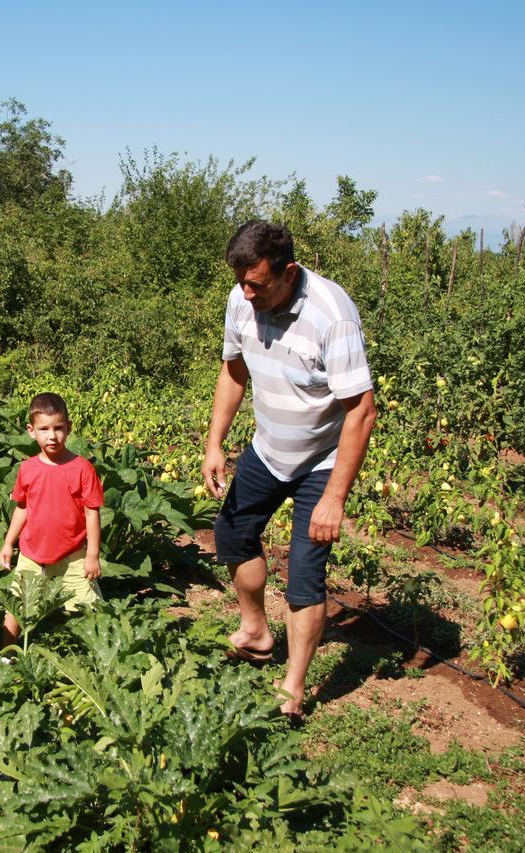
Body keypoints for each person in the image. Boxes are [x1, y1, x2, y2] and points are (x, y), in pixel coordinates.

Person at [201, 220, 376, 723]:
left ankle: (293, 688)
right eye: (241, 281)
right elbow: (233, 370)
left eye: (257, 283)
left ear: (288, 271)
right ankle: (256, 631)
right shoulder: (243, 300)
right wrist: (215, 444)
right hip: (267, 449)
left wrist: (333, 499)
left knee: (304, 576)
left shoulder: (332, 316)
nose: (246, 292)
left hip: (320, 460)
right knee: (233, 534)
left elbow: (361, 411)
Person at [0, 393, 105, 646]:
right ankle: (6, 654)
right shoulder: (27, 469)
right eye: (44, 429)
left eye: (58, 428)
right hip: (32, 554)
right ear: (31, 431)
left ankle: (100, 657)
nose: (52, 436)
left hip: (73, 556)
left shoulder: (82, 468)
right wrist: (8, 542)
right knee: (16, 605)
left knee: (93, 610)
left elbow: (92, 512)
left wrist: (92, 555)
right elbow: (22, 508)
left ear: (68, 427)